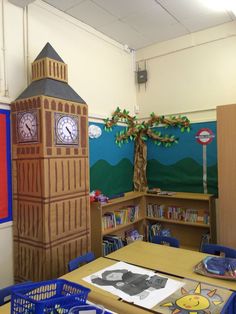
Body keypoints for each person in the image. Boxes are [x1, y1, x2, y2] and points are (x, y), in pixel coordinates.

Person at [91, 269, 168, 299]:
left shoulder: (126, 273)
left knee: (149, 281)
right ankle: (142, 293)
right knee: (120, 285)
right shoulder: (114, 282)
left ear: (117, 272)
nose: (114, 277)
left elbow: (141, 276)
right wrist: (94, 279)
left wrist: (148, 280)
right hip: (137, 289)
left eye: (113, 274)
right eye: (110, 277)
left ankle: (155, 285)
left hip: (145, 281)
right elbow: (102, 282)